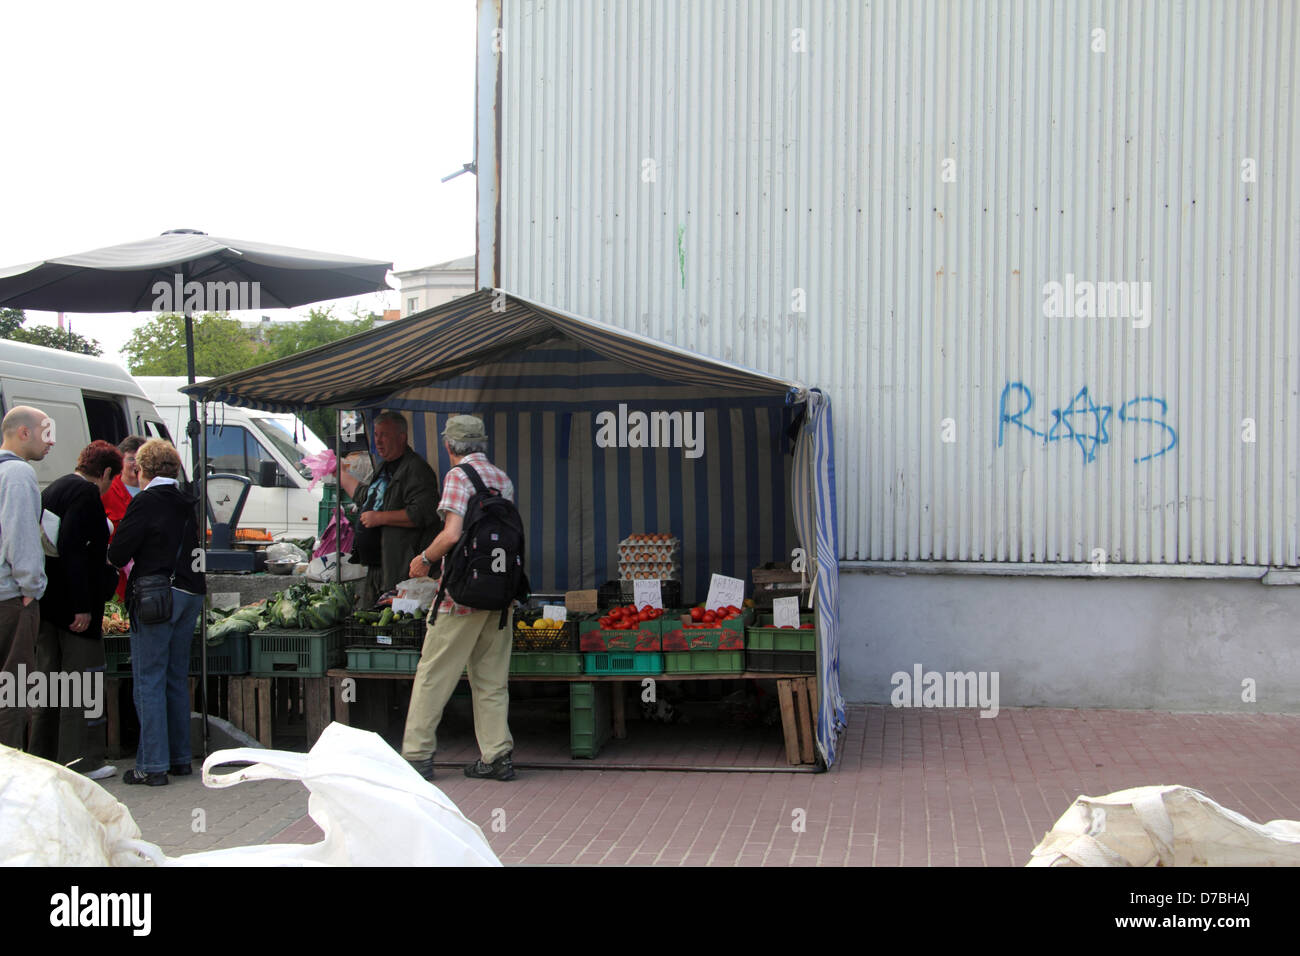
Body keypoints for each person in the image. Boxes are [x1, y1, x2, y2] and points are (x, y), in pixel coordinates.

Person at [401, 414, 518, 782]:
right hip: (499, 596)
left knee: (434, 673)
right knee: (491, 678)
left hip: (460, 596)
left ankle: (417, 755)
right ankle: (497, 755)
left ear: (449, 446)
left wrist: (423, 560)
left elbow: (452, 534)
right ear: (481, 443)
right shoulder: (502, 479)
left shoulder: (457, 477)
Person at [107, 439, 205, 786]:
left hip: (156, 598)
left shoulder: (145, 502)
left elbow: (118, 553)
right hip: (190, 594)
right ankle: (180, 759)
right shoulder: (188, 501)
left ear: (141, 470)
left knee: (148, 679)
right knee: (176, 677)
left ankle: (153, 766)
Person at [30, 440, 123, 778]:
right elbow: (75, 551)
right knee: (81, 683)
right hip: (75, 612)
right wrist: (83, 606)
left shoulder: (54, 488)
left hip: (48, 605)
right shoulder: (85, 495)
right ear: (107, 472)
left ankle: (43, 755)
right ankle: (82, 760)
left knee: (48, 682)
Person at [339, 411, 442, 603]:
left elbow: (423, 513)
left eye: (384, 435)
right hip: (377, 569)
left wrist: (380, 518)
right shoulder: (383, 467)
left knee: (394, 626)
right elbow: (366, 497)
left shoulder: (416, 469)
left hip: (401, 569)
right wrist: (340, 473)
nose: (378, 441)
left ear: (402, 437)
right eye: (376, 435)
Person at [0, 405, 54, 750]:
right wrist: (31, 588)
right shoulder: (18, 474)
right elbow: (20, 537)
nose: (50, 443)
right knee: (13, 692)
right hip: (11, 599)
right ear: (24, 433)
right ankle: (9, 782)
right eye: (46, 433)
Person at [102, 436, 146, 601]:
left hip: (144, 579)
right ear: (120, 461)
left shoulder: (151, 493)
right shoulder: (107, 491)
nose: (135, 464)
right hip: (116, 581)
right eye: (130, 459)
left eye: (140, 459)